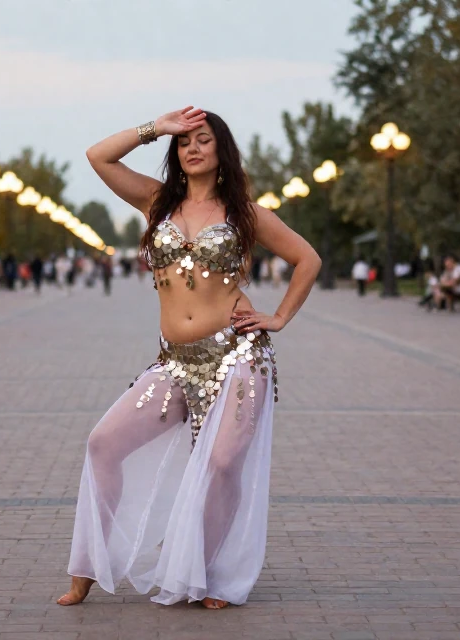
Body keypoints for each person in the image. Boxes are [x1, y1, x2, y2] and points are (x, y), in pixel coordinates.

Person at [58, 107, 320, 610]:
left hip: (238, 357)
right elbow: (98, 156)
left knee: (222, 463)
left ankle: (210, 576)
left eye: (203, 139)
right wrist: (157, 127)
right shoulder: (157, 202)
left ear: (222, 150)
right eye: (184, 142)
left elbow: (307, 259)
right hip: (175, 361)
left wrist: (281, 316)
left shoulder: (244, 212)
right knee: (103, 443)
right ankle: (89, 567)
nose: (192, 148)